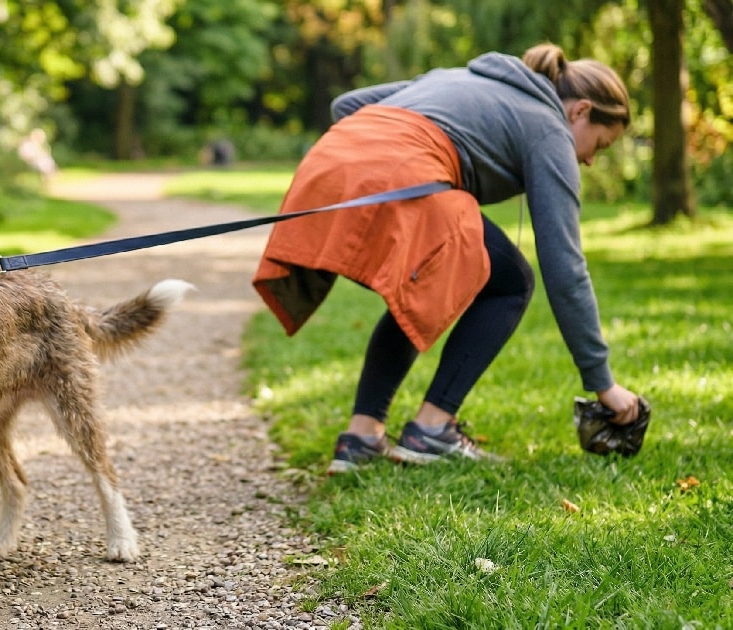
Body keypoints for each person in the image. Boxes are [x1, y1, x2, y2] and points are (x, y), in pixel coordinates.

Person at [251, 43, 645, 474]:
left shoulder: (461, 77)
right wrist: (602, 383)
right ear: (580, 111)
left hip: (325, 169)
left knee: (426, 285)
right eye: (599, 146)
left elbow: (346, 104)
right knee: (512, 280)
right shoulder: (550, 128)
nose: (588, 160)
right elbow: (564, 266)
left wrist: (372, 165)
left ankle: (362, 438)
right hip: (399, 177)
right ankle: (432, 430)